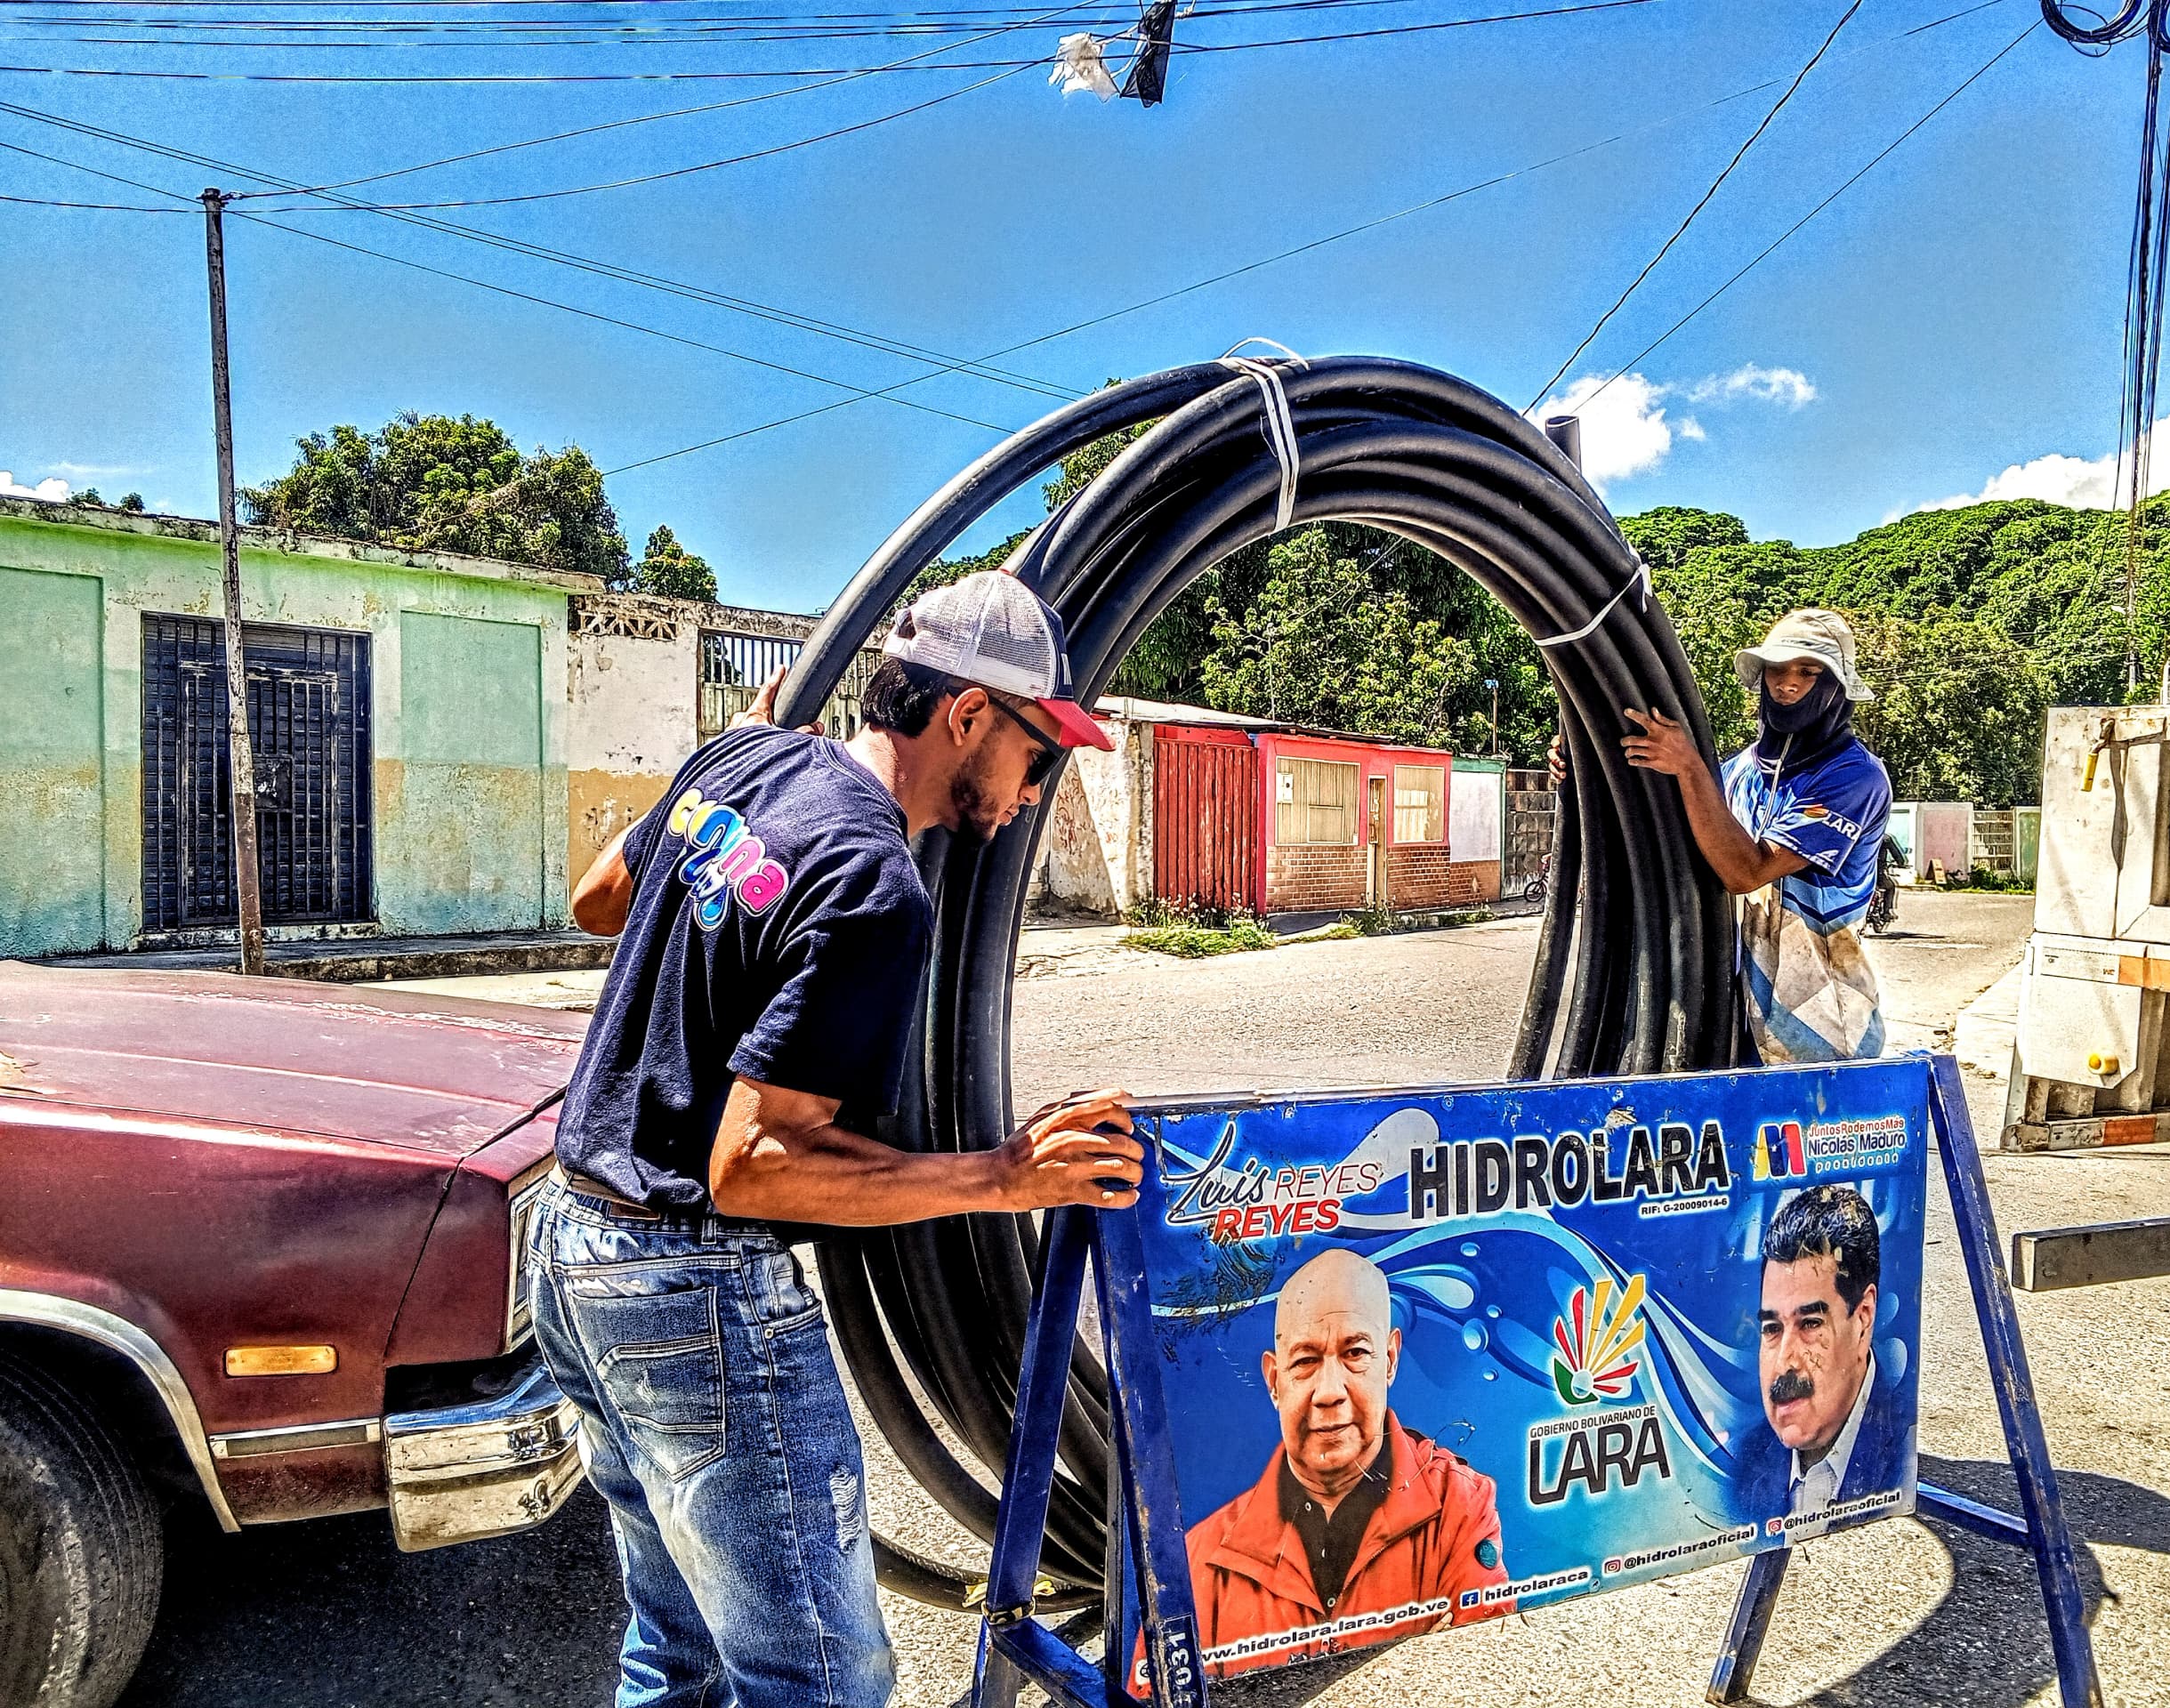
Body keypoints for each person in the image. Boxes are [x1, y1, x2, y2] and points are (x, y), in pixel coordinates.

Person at [529, 568, 1148, 1708]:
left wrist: (714, 773)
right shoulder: (874, 885)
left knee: (675, 1650)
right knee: (818, 1678)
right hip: (689, 1288)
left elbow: (597, 900)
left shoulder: (740, 763)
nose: (1035, 791)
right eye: (1036, 752)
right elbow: (753, 1166)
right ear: (968, 713)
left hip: (573, 1251)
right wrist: (1004, 1175)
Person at [1554, 608, 1892, 1063]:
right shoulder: (1736, 774)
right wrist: (1586, 769)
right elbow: (1664, 841)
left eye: (1809, 672)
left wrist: (1690, 767)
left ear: (1837, 686)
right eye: (1777, 669)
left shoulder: (1852, 777)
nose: (1787, 684)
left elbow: (1745, 871)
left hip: (1821, 1030)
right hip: (1732, 1024)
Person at [1182, 1249, 1505, 1666]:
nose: (1330, 1392)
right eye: (1305, 1361)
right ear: (1274, 1382)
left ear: (1389, 1361)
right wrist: (1412, 1658)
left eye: (1355, 1354)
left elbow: (1477, 1670)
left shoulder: (1458, 1505)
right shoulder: (1201, 1561)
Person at [1732, 1184, 1911, 1520]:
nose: (1785, 1361)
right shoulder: (1743, 1463)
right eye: (1772, 1328)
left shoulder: (1900, 1447)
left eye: (1811, 1324)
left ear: (1863, 1319)